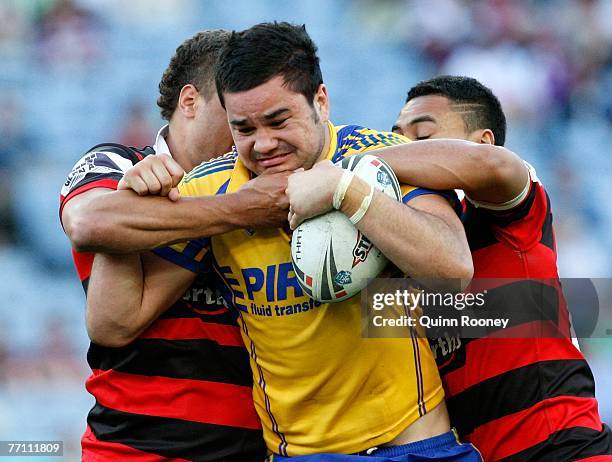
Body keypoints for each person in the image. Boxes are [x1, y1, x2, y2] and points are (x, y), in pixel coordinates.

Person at [92, 22, 482, 461]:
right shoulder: (211, 190)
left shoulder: (378, 157)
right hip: (302, 455)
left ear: (320, 100)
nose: (263, 144)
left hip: (418, 445)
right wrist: (133, 200)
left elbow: (453, 271)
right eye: (243, 129)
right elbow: (113, 323)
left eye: (279, 121)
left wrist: (345, 192)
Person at [60, 30, 289, 461]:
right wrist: (240, 209)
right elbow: (91, 222)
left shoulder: (268, 188)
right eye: (237, 115)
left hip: (257, 448)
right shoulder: (117, 164)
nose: (252, 137)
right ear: (190, 101)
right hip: (135, 448)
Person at [383, 75, 612, 461]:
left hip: (563, 451)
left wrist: (351, 168)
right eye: (394, 136)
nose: (402, 148)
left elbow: (491, 166)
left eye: (421, 136)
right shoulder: (411, 249)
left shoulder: (508, 214)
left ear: (482, 140)